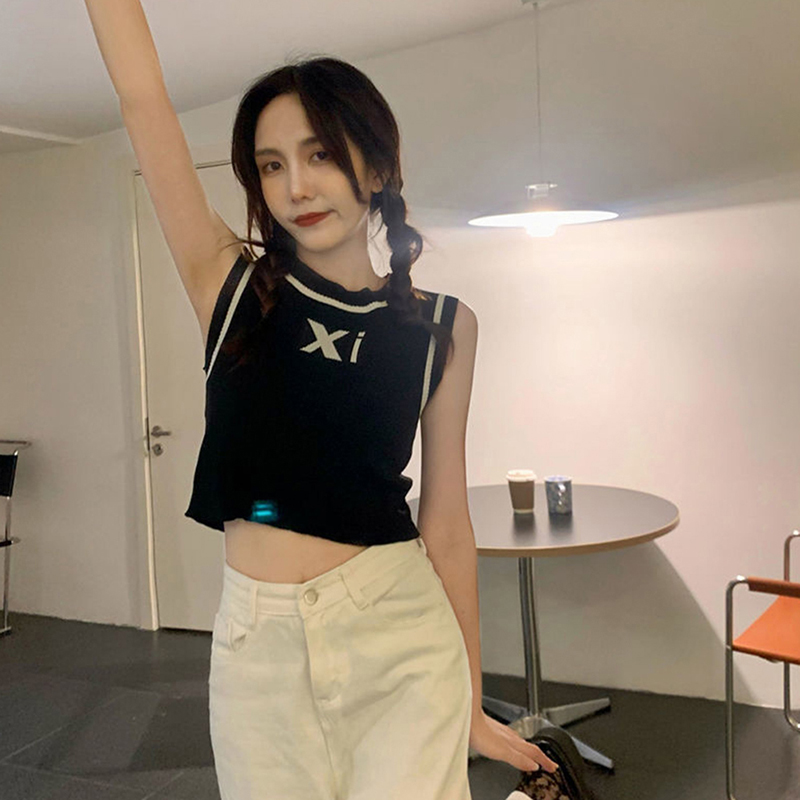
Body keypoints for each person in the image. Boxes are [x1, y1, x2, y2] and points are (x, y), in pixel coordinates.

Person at [83, 1, 559, 797]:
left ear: (375, 168)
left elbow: (446, 524)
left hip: (399, 628)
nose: (296, 186)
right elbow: (142, 101)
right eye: (271, 166)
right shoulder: (229, 287)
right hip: (257, 647)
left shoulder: (443, 328)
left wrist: (473, 702)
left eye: (320, 155)